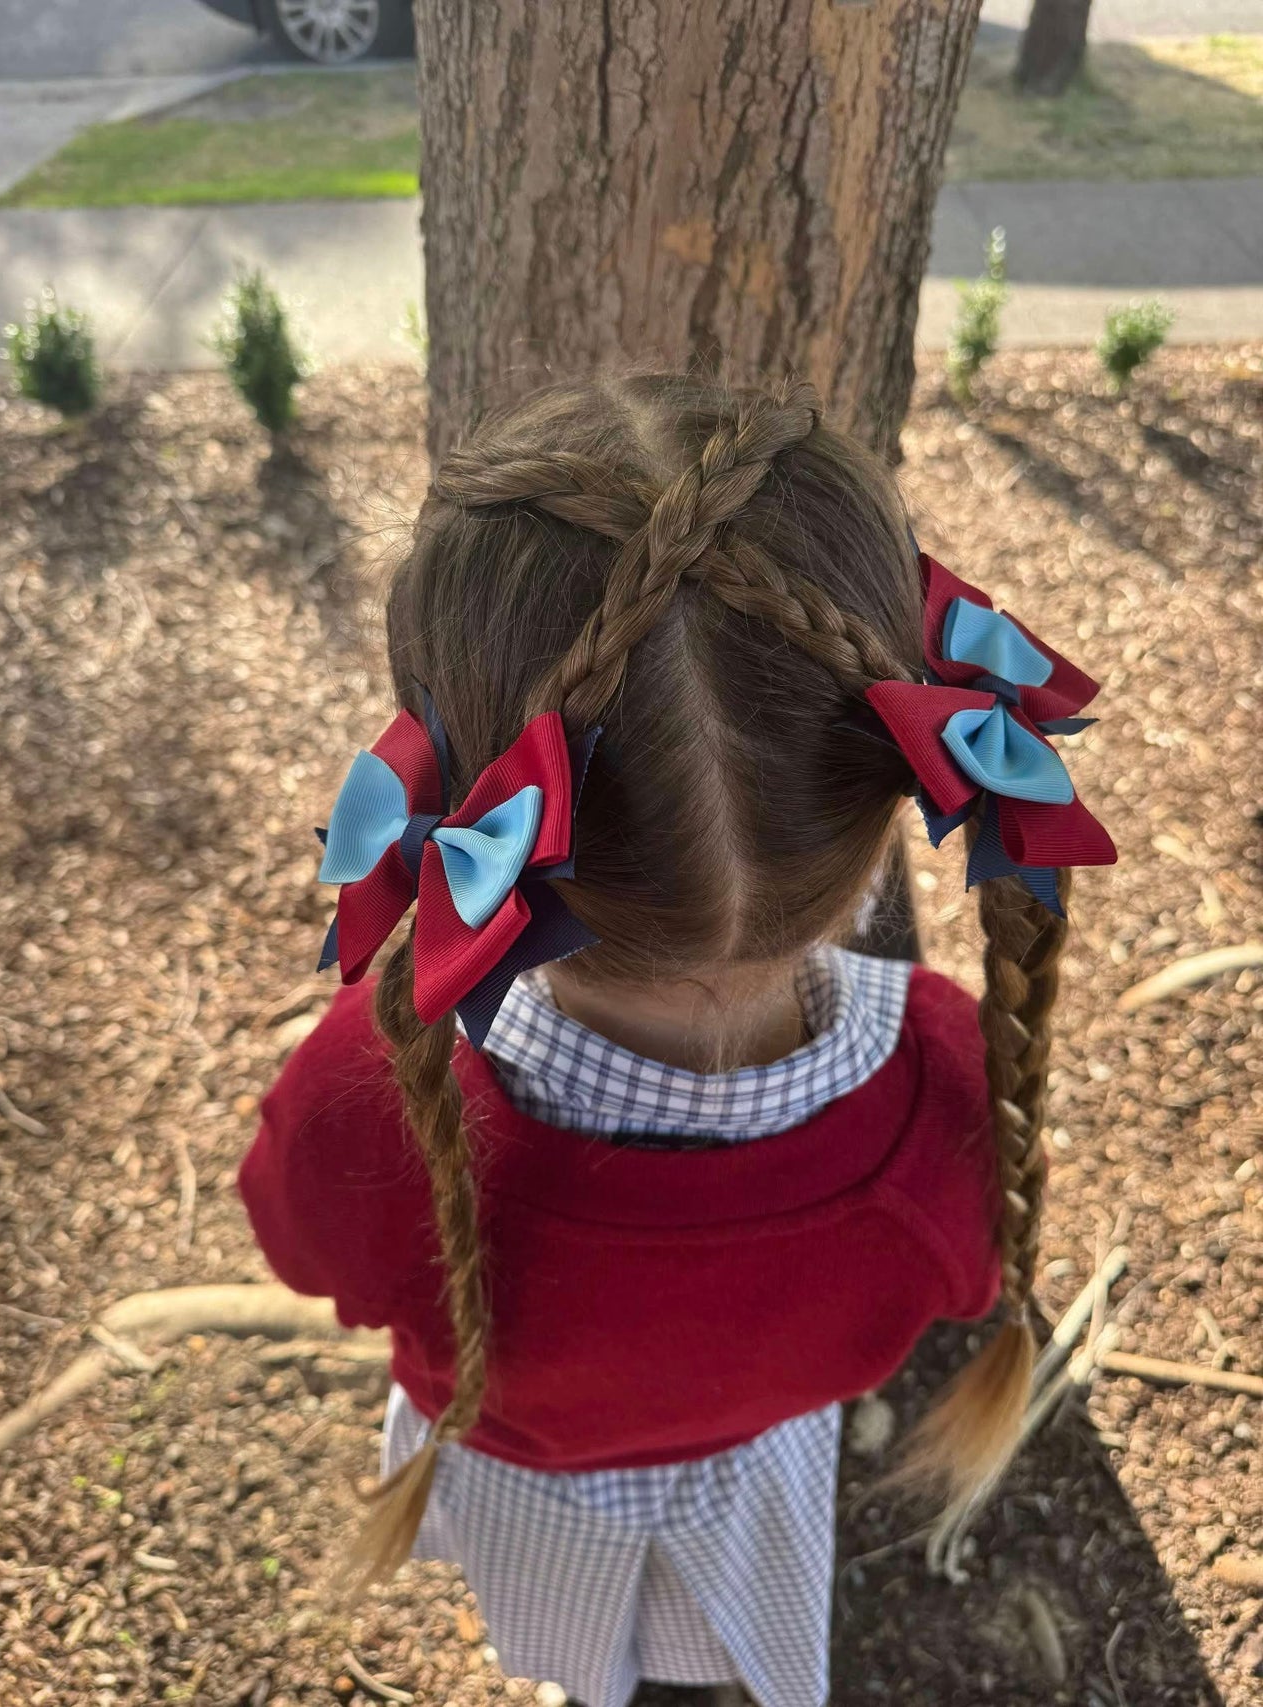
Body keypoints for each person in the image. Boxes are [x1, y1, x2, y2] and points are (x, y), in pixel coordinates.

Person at [239, 374, 1115, 1707]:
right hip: (754, 1471)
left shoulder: (368, 1103)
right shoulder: (948, 1085)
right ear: (888, 797)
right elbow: (952, 1279)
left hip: (521, 1478)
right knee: (725, 1655)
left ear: (442, 783)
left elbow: (311, 1256)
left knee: (576, 1658)